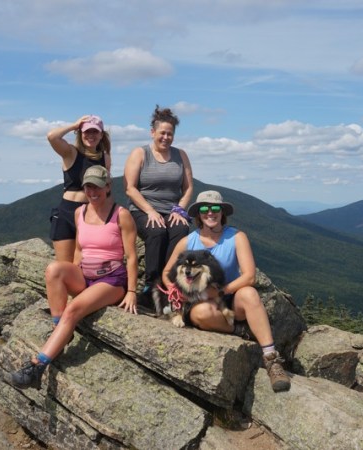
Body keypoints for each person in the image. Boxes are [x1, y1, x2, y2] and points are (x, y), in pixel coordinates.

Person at [9, 165, 138, 389]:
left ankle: (37, 366)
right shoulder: (80, 212)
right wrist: (75, 270)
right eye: (88, 186)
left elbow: (132, 257)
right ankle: (61, 330)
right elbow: (79, 248)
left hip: (111, 280)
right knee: (54, 270)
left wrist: (132, 292)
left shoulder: (121, 215)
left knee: (73, 310)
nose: (92, 191)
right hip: (86, 275)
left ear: (108, 186)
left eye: (98, 186)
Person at [162, 190, 291, 392]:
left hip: (229, 299)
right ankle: (241, 330)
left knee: (249, 293)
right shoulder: (188, 242)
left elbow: (249, 276)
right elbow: (167, 272)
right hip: (201, 304)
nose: (210, 213)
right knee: (200, 313)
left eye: (215, 208)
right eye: (205, 208)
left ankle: (271, 359)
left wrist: (220, 292)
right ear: (198, 214)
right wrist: (175, 290)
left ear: (222, 212)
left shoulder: (237, 237)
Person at [124, 105, 193, 304]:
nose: (166, 137)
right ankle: (150, 285)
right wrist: (150, 211)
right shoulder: (140, 153)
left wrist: (180, 209)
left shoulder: (181, 155)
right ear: (152, 132)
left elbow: (188, 188)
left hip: (171, 210)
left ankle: (169, 282)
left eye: (170, 134)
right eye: (162, 133)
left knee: (180, 229)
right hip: (142, 208)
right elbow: (130, 188)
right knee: (157, 231)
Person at [47, 115, 111, 262]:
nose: (91, 135)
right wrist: (74, 125)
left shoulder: (105, 158)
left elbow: (107, 189)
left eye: (95, 132)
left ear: (101, 135)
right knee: (65, 265)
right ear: (80, 133)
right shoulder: (70, 152)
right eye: (87, 132)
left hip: (91, 213)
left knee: (86, 264)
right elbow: (52, 137)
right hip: (66, 213)